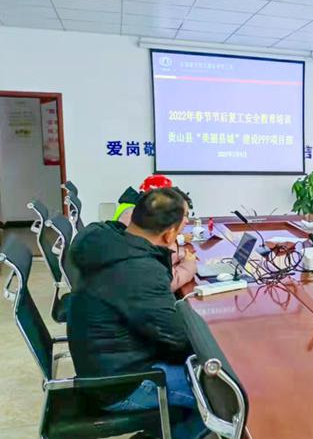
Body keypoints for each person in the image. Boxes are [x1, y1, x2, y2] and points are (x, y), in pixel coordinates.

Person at [67, 188, 209, 439]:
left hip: (108, 365)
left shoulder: (109, 242)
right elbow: (179, 339)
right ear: (170, 234)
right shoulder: (139, 269)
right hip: (124, 384)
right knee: (226, 396)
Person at [116, 176, 197, 292]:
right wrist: (188, 265)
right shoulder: (132, 215)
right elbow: (161, 281)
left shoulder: (138, 210)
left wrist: (181, 254)